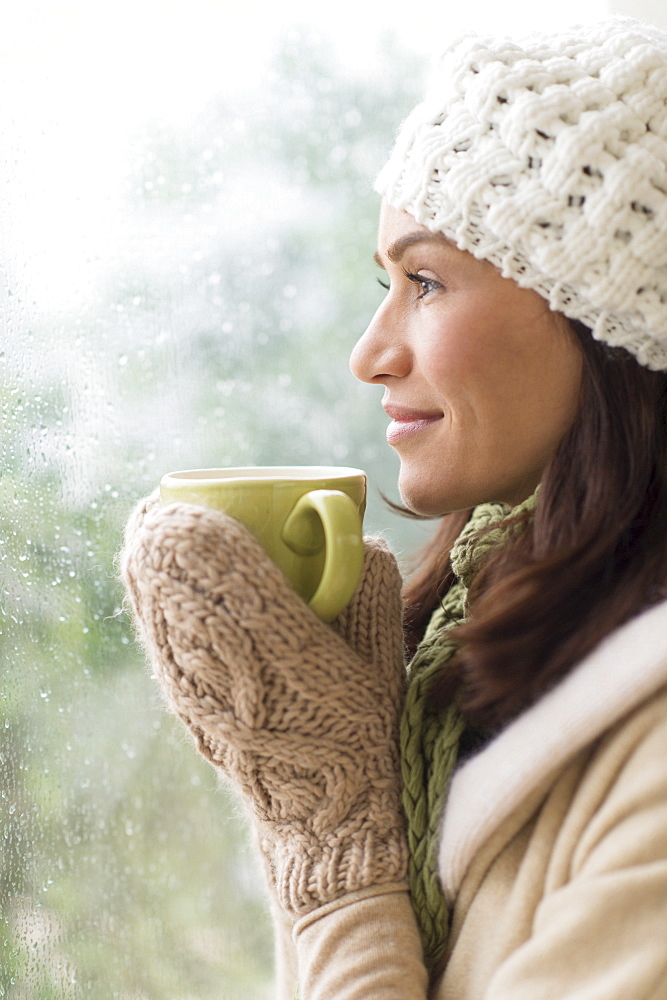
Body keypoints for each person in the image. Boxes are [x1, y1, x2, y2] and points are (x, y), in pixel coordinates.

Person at [121, 15, 667, 999]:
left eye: (424, 281)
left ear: (607, 321)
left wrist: (327, 834)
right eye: (386, 284)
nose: (369, 353)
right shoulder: (472, 666)